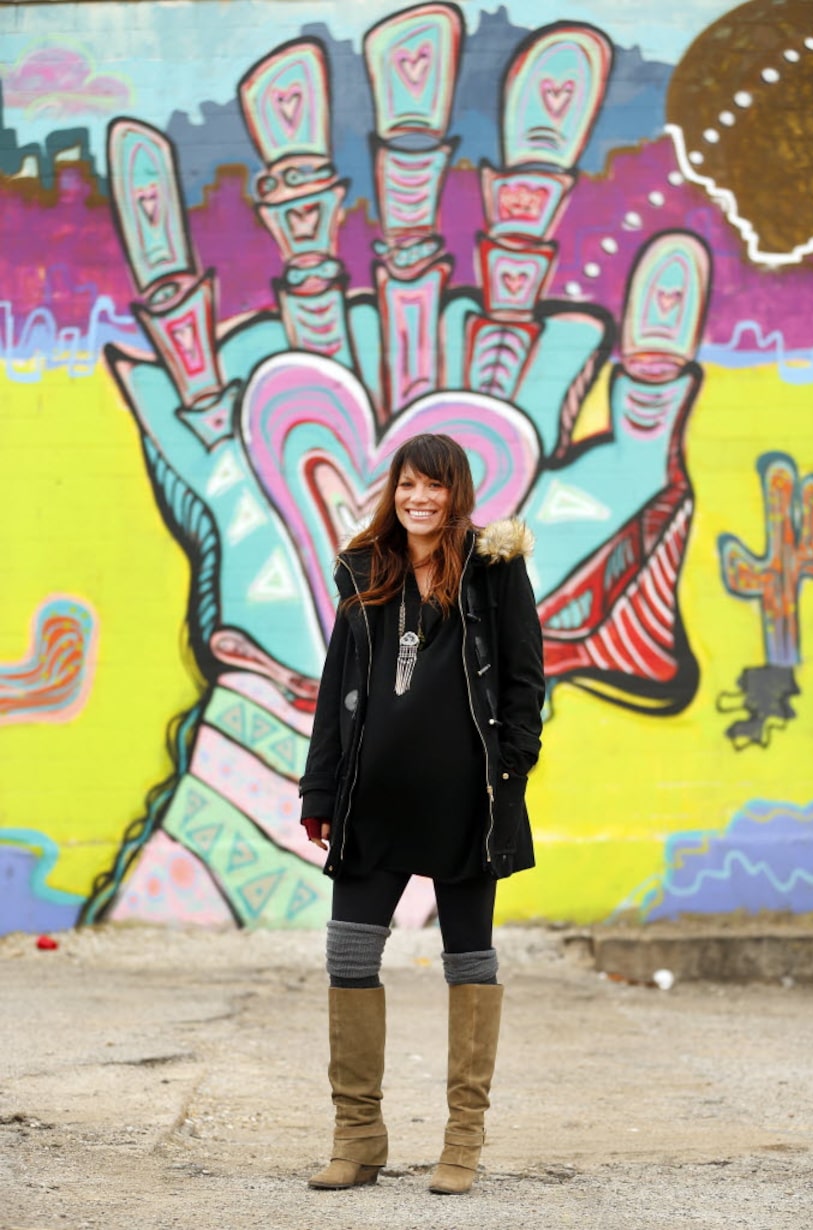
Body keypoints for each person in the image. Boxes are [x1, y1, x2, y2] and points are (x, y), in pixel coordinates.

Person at [298, 432, 545, 1195]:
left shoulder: (494, 569)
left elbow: (525, 679)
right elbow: (338, 689)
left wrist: (512, 769)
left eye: (435, 487)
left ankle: (462, 1142)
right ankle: (358, 1137)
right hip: (373, 800)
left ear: (455, 493)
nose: (420, 499)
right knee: (347, 958)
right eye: (409, 485)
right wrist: (320, 790)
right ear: (393, 489)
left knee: (469, 961)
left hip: (468, 803)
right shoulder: (365, 568)